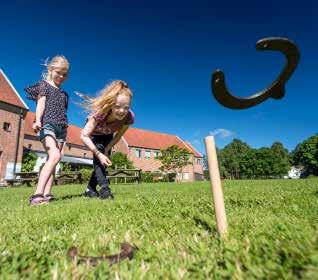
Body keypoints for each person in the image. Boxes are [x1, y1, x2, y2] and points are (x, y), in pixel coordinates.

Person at [25, 55, 70, 205]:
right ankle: (37, 195)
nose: (61, 76)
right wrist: (37, 120)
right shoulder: (44, 85)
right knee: (54, 155)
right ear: (51, 70)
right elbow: (41, 103)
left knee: (55, 160)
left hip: (62, 128)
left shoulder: (64, 94)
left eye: (65, 74)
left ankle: (47, 193)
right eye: (59, 72)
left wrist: (65, 135)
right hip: (47, 125)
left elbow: (63, 112)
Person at [80, 80, 134, 199]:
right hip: (93, 135)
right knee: (99, 155)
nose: (122, 111)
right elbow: (84, 135)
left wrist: (108, 149)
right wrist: (99, 153)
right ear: (111, 104)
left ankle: (90, 189)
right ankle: (105, 189)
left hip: (108, 136)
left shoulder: (128, 117)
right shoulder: (101, 113)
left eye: (126, 107)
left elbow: (118, 136)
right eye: (117, 107)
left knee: (103, 163)